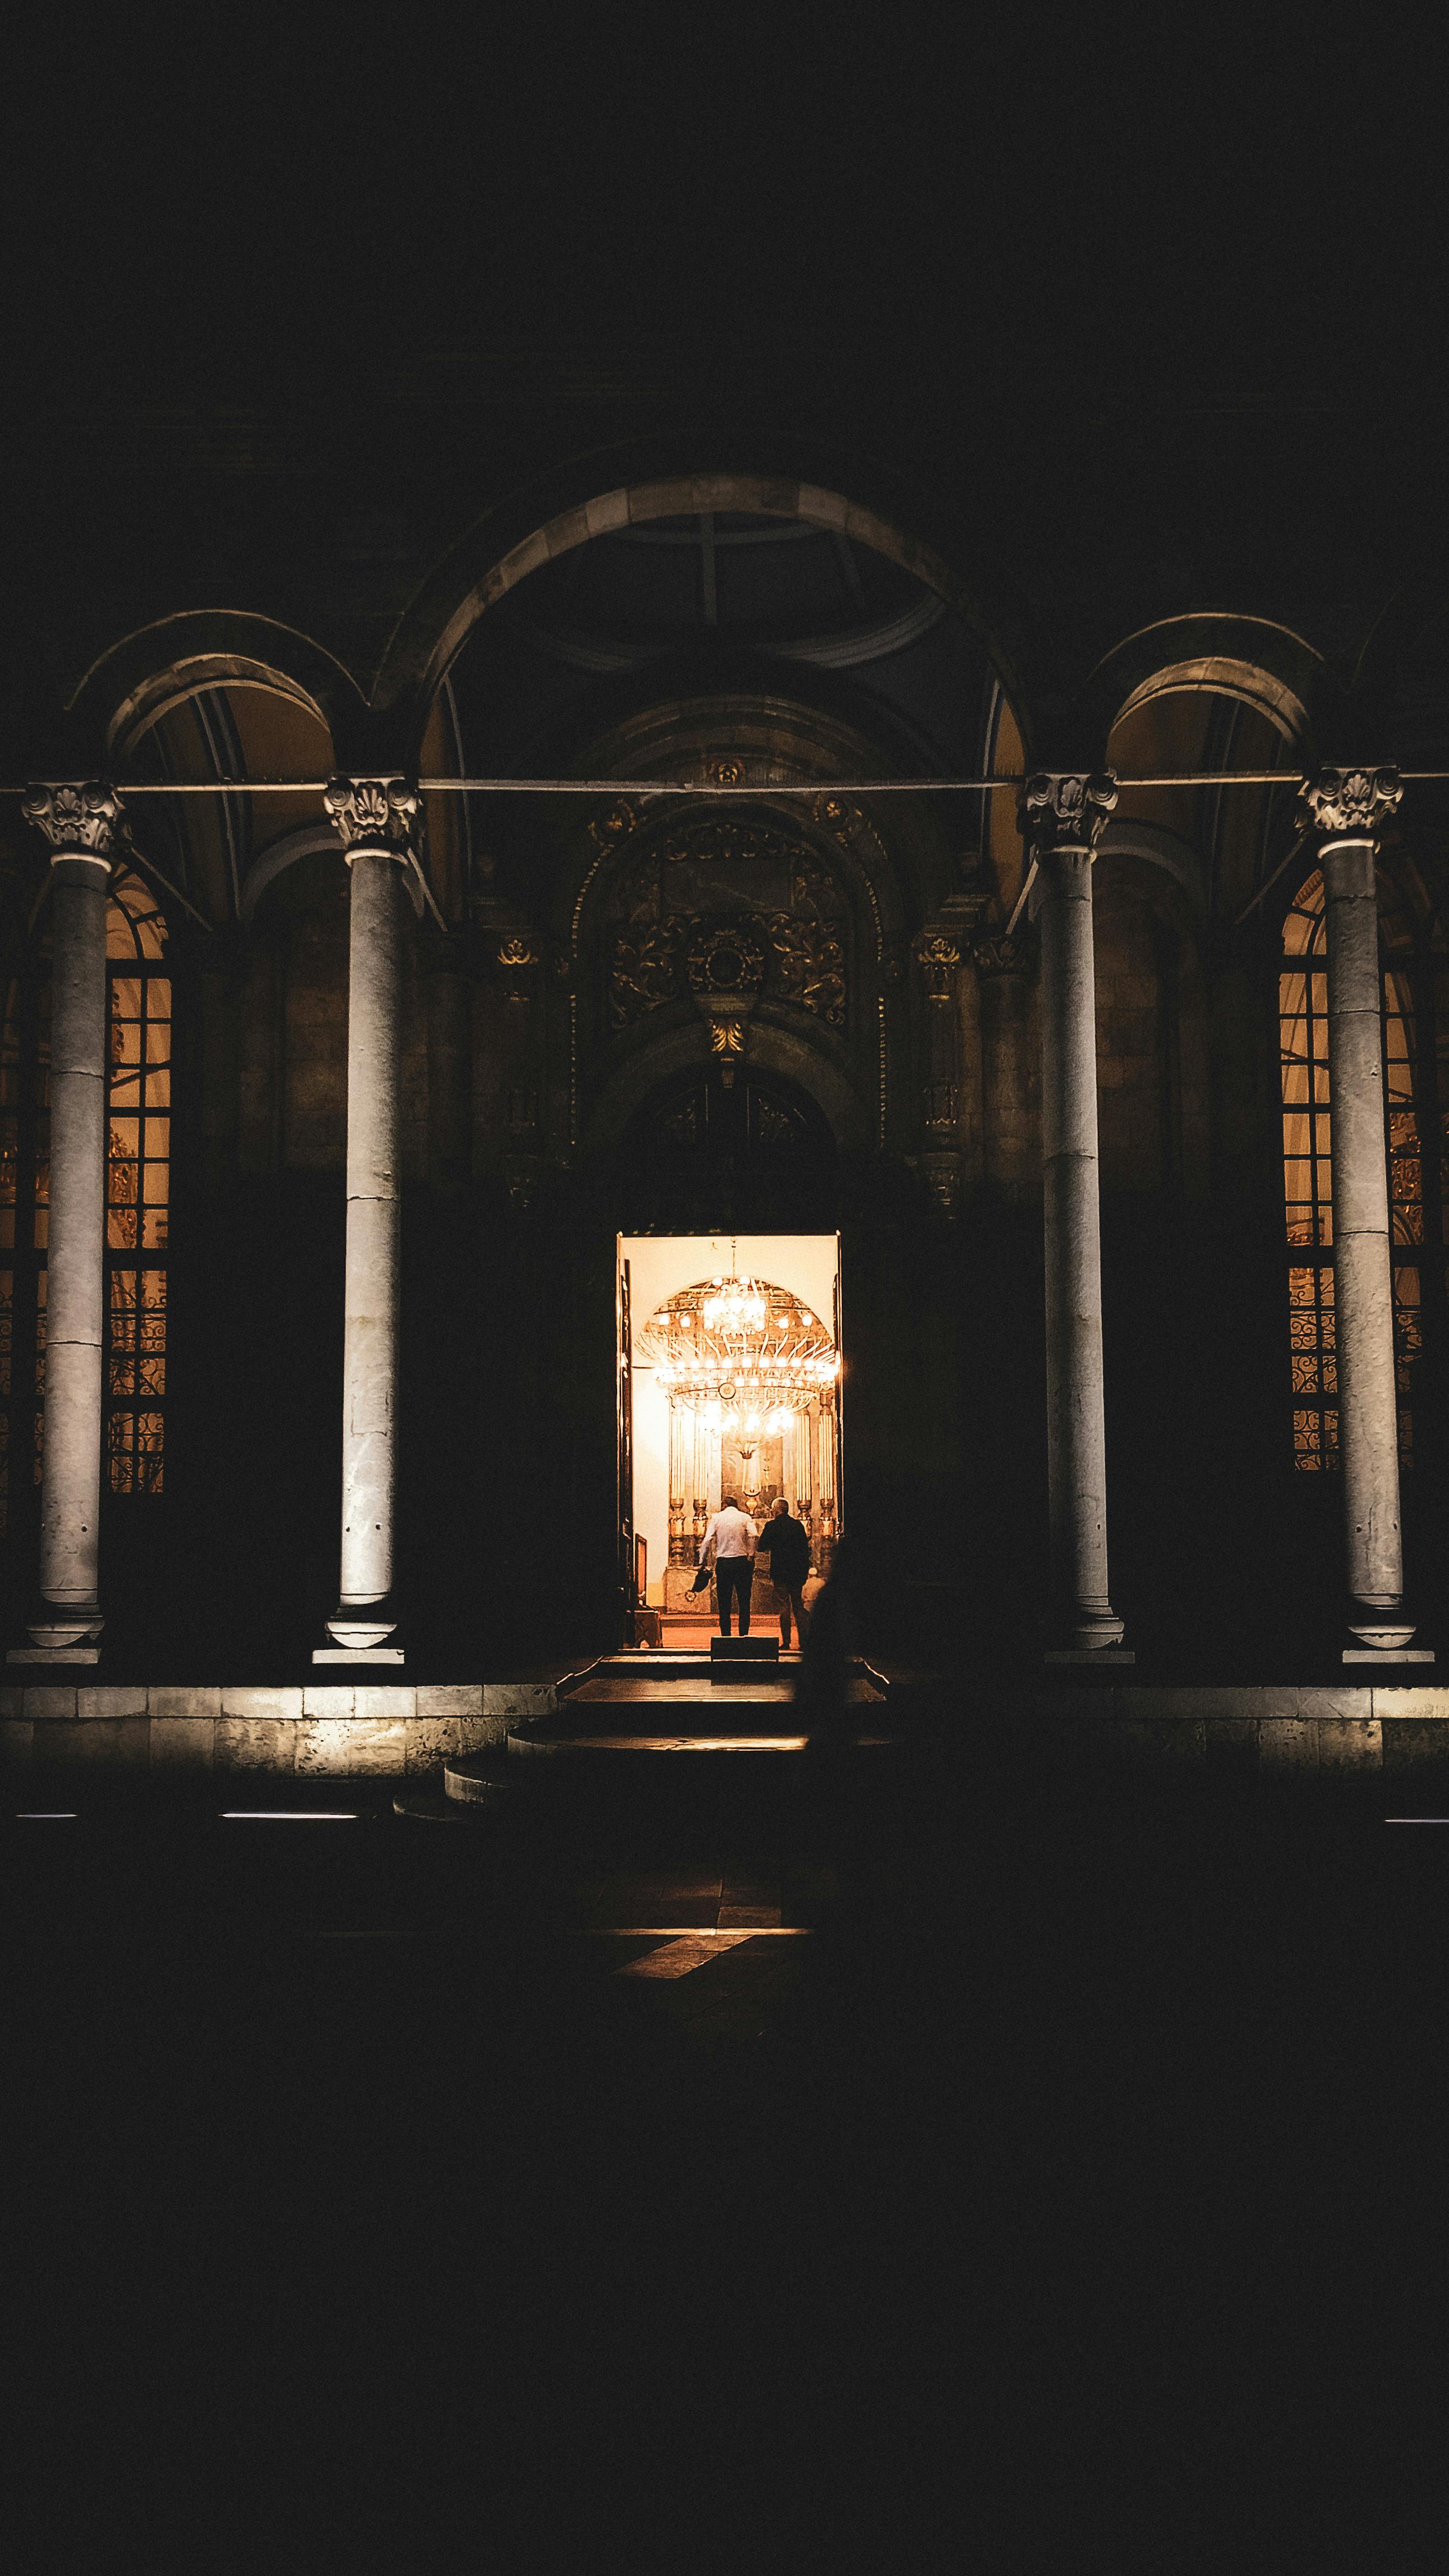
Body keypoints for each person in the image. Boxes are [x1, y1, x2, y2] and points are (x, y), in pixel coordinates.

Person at [756, 1494, 812, 1649]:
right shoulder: (798, 1525)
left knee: (784, 1606)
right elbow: (804, 1550)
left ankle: (786, 1642)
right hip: (797, 1571)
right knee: (798, 1606)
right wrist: (804, 1571)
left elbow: (761, 1546)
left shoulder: (772, 1526)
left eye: (773, 1509)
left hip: (780, 1571)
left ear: (777, 1510)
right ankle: (804, 1642)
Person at [699, 1493, 758, 1635]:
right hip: (742, 1561)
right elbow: (754, 1535)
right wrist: (750, 1554)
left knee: (724, 1602)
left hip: (724, 1562)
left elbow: (707, 1540)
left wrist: (702, 1560)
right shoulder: (745, 1517)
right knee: (744, 1602)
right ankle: (743, 1634)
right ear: (736, 1506)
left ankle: (726, 1635)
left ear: (724, 1505)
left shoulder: (717, 1518)